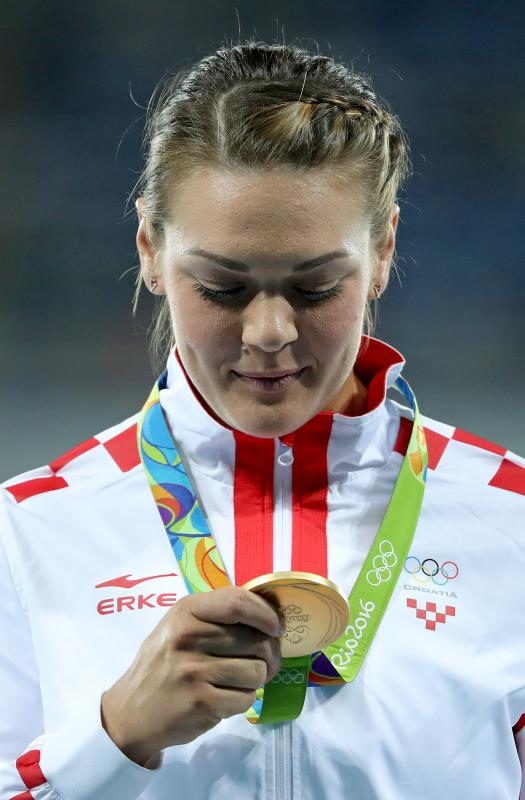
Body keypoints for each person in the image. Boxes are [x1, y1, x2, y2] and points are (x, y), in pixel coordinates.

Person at [1, 40, 524, 800]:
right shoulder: (25, 534)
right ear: (150, 249)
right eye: (220, 286)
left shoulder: (512, 520)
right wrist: (114, 735)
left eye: (315, 288)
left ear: (382, 251)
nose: (269, 330)